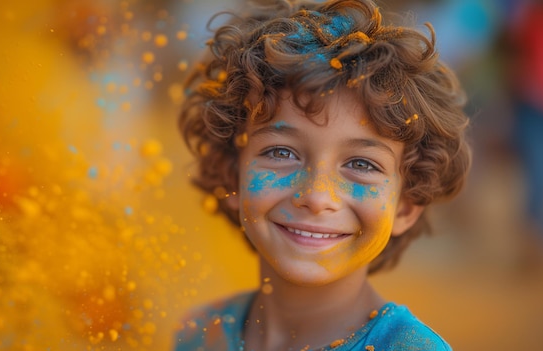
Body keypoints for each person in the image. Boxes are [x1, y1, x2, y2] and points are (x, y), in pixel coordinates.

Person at [174, 0, 471, 349]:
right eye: (281, 152)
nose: (316, 197)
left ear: (406, 205)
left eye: (361, 164)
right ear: (231, 176)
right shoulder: (198, 335)